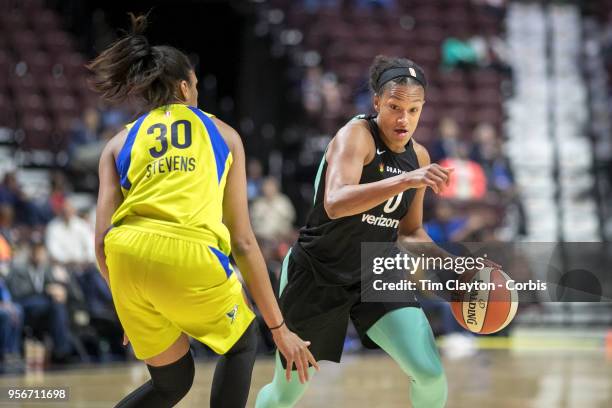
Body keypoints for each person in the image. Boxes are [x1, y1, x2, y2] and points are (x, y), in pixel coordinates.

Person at [89, 14, 317, 408]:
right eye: (195, 84)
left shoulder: (118, 142)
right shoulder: (224, 134)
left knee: (172, 382)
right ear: (184, 86)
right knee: (242, 343)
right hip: (188, 251)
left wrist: (125, 301)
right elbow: (243, 242)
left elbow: (99, 242)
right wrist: (279, 328)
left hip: (124, 258)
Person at [256, 55, 454, 408]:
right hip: (317, 273)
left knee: (430, 373)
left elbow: (411, 233)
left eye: (414, 110)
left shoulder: (418, 157)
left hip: (375, 270)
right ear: (377, 101)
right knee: (285, 395)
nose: (403, 119)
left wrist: (456, 268)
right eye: (394, 106)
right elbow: (335, 201)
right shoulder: (356, 136)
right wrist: (405, 180)